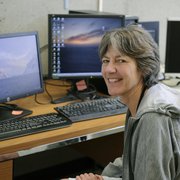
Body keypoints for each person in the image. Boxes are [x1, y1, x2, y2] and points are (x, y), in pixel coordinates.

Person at [63, 25, 180, 180]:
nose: (109, 69)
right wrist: (102, 178)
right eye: (106, 61)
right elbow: (133, 161)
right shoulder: (146, 96)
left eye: (121, 60)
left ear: (144, 67)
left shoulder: (152, 118)